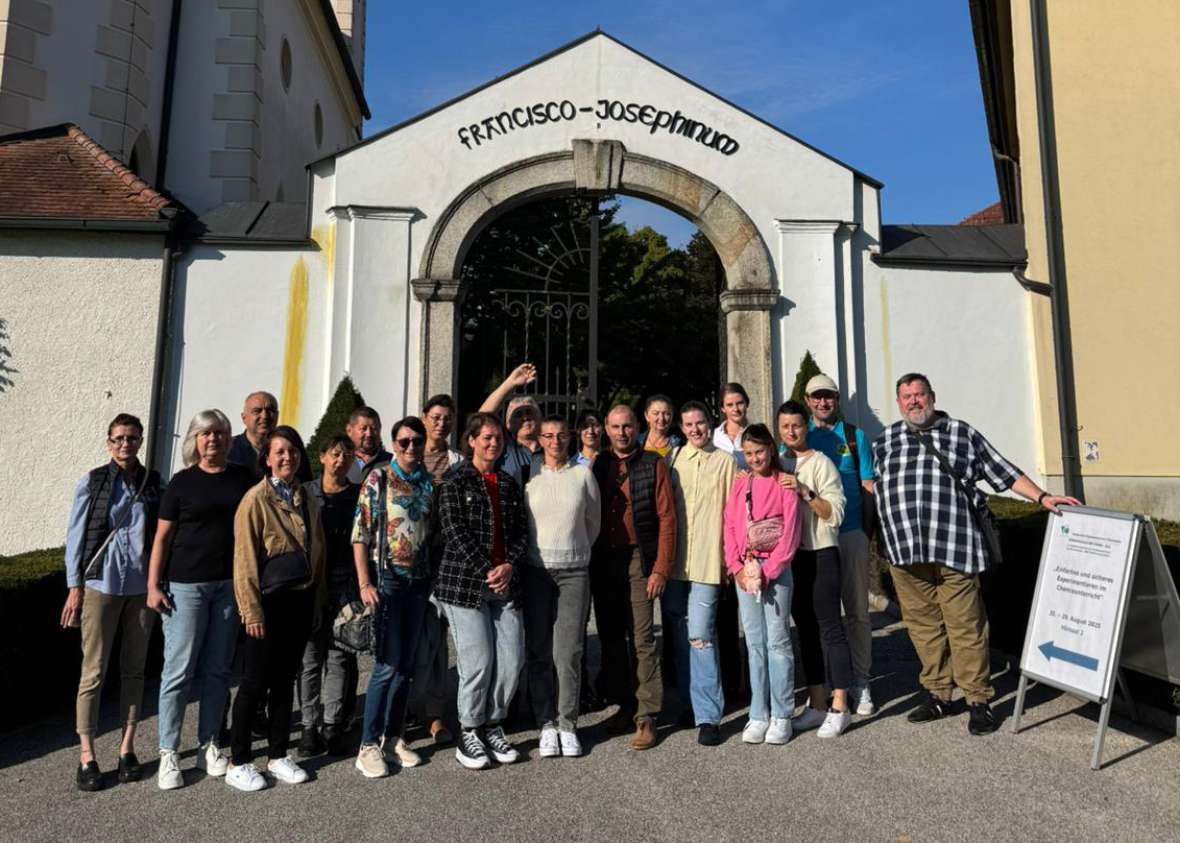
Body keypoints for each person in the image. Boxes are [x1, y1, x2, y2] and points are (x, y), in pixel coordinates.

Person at [873, 373, 1077, 735]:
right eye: (906, 397)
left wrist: (1043, 497)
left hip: (955, 548)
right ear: (899, 402)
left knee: (966, 626)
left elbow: (1003, 472)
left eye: (920, 394)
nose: (914, 401)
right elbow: (872, 483)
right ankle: (939, 694)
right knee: (923, 628)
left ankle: (978, 700)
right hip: (905, 552)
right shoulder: (886, 440)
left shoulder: (961, 433)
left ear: (932, 397)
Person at [147, 409, 254, 790]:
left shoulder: (243, 478)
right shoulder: (181, 483)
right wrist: (153, 585)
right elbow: (161, 538)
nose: (214, 439)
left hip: (227, 585)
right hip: (185, 587)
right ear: (195, 440)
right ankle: (168, 752)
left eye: (221, 433)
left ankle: (209, 744)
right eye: (207, 434)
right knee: (178, 671)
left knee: (218, 670)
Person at [62, 413, 163, 791]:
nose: (126, 445)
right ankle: (87, 755)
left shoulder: (153, 484)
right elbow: (75, 537)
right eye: (119, 438)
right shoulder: (92, 481)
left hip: (140, 588)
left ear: (140, 442)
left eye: (133, 439)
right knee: (93, 673)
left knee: (134, 670)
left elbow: (162, 534)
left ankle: (126, 748)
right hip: (99, 586)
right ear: (108, 442)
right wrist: (74, 586)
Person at [227, 426, 326, 791]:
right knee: (254, 682)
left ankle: (278, 753)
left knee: (286, 681)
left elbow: (319, 554)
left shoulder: (307, 497)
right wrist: (251, 612)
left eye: (293, 451)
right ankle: (239, 760)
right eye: (280, 452)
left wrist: (316, 601)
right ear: (267, 458)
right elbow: (244, 562)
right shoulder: (255, 500)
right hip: (267, 604)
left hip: (300, 601)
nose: (288, 457)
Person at [436, 412, 528, 770]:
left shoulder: (507, 483)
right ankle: (469, 730)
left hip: (505, 584)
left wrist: (508, 566)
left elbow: (522, 532)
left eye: (498, 438)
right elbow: (454, 530)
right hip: (465, 585)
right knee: (478, 661)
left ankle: (492, 723)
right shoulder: (454, 481)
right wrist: (488, 569)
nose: (493, 443)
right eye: (486, 437)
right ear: (471, 441)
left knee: (510, 660)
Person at [352, 417, 436, 778]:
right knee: (387, 665)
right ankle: (367, 745)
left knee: (406, 666)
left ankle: (393, 736)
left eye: (417, 441)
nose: (411, 448)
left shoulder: (428, 483)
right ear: (394, 443)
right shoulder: (380, 478)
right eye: (404, 442)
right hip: (387, 580)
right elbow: (360, 534)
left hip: (418, 583)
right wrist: (364, 583)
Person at [590, 404, 677, 751]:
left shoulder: (652, 464)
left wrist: (660, 568)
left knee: (642, 638)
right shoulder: (600, 465)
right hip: (604, 559)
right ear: (606, 430)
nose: (622, 432)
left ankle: (647, 715)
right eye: (615, 426)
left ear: (636, 427)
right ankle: (624, 706)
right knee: (611, 636)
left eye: (627, 426)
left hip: (639, 557)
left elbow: (667, 518)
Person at [523, 416, 601, 758]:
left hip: (574, 573)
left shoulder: (583, 475)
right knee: (539, 649)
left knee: (567, 651)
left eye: (561, 435)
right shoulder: (530, 477)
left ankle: (568, 723)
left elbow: (592, 522)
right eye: (548, 436)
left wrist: (576, 549)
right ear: (539, 440)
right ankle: (546, 722)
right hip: (537, 573)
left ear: (569, 439)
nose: (555, 441)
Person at [776, 400, 855, 739]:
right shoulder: (778, 463)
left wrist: (805, 492)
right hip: (794, 557)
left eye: (796, 425)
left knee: (830, 628)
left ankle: (841, 704)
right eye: (784, 427)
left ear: (805, 426)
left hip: (822, 552)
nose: (791, 431)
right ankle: (817, 702)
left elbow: (834, 513)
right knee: (805, 628)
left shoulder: (821, 464)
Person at [723, 424, 803, 746]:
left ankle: (783, 713)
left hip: (775, 572)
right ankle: (758, 712)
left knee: (778, 642)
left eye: (760, 451)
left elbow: (791, 534)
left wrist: (767, 571)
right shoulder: (741, 485)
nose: (755, 458)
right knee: (754, 643)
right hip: (745, 571)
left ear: (771, 449)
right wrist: (738, 569)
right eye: (749, 453)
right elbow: (729, 526)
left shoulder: (784, 484)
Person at [661, 401, 736, 746]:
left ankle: (709, 715)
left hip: (707, 561)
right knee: (679, 635)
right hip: (676, 564)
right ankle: (690, 704)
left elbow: (734, 514)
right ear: (682, 427)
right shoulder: (673, 460)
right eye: (688, 424)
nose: (695, 429)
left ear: (710, 423)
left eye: (700, 423)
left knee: (701, 636)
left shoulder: (725, 462)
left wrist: (729, 558)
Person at [804, 373, 877, 716]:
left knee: (859, 614)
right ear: (807, 401)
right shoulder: (800, 435)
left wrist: (866, 532)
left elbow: (866, 486)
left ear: (836, 400)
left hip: (848, 534)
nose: (823, 402)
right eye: (816, 397)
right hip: (815, 539)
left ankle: (861, 682)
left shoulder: (854, 436)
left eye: (829, 397)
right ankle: (832, 683)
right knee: (824, 617)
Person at [296, 435, 361, 759]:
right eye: (335, 454)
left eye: (347, 455)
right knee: (310, 659)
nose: (340, 460)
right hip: (311, 584)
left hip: (344, 584)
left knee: (339, 656)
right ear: (322, 457)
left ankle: (332, 725)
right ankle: (309, 725)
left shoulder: (357, 495)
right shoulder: (306, 493)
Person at [410, 394, 464, 746]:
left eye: (446, 418)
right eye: (435, 417)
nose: (441, 423)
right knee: (414, 640)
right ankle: (406, 711)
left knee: (439, 640)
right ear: (424, 418)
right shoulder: (409, 456)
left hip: (448, 558)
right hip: (413, 561)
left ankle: (435, 715)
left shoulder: (458, 462)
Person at [480, 362, 543, 483]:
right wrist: (511, 383)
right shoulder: (504, 445)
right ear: (508, 424)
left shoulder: (551, 445)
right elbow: (483, 417)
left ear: (539, 419)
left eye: (529, 412)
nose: (525, 417)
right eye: (518, 414)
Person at [227, 391, 278, 477]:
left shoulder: (289, 450)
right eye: (257, 411)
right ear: (244, 418)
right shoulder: (228, 449)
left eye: (270, 410)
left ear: (277, 415)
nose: (265, 416)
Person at [346, 406, 392, 484]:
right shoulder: (341, 460)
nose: (369, 434)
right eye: (363, 429)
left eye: (374, 429)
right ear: (349, 430)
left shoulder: (391, 462)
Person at [713, 382, 750, 470]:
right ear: (722, 408)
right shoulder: (714, 437)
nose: (736, 409)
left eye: (740, 403)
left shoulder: (758, 434)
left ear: (747, 404)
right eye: (730, 405)